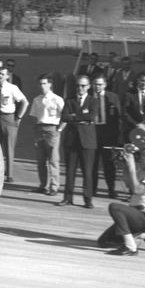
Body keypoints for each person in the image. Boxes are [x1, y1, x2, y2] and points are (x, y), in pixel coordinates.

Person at [99, 145, 145, 256]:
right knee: (104, 242)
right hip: (135, 214)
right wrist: (126, 165)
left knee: (115, 207)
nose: (139, 162)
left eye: (142, 160)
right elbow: (129, 184)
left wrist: (132, 166)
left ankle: (131, 247)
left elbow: (137, 190)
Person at [0, 66, 28, 183]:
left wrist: (19, 117)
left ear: (7, 76)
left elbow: (24, 102)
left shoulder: (12, 88)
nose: (0, 76)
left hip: (9, 118)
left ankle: (9, 175)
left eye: (2, 74)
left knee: (9, 147)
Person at [60, 74, 98, 208]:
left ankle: (88, 200)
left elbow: (91, 116)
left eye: (83, 86)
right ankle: (67, 197)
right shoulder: (69, 100)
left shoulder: (93, 101)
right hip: (71, 140)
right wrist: (81, 118)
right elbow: (64, 117)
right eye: (77, 85)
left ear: (88, 87)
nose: (79, 88)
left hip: (87, 141)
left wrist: (74, 116)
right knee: (70, 171)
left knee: (87, 172)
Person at [27, 75, 65, 196]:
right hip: (40, 128)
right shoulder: (37, 99)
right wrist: (35, 130)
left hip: (52, 129)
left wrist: (59, 130)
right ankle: (43, 185)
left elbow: (65, 116)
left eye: (44, 83)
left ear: (50, 84)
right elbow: (33, 115)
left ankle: (54, 186)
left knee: (53, 159)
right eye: (41, 84)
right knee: (40, 160)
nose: (42, 86)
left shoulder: (57, 99)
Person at [92, 74, 125, 198]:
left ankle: (111, 189)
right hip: (93, 134)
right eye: (95, 84)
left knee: (109, 164)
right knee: (92, 163)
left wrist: (118, 136)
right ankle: (92, 188)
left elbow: (119, 117)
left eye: (100, 84)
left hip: (109, 135)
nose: (97, 87)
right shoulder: (89, 97)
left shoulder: (113, 97)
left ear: (105, 85)